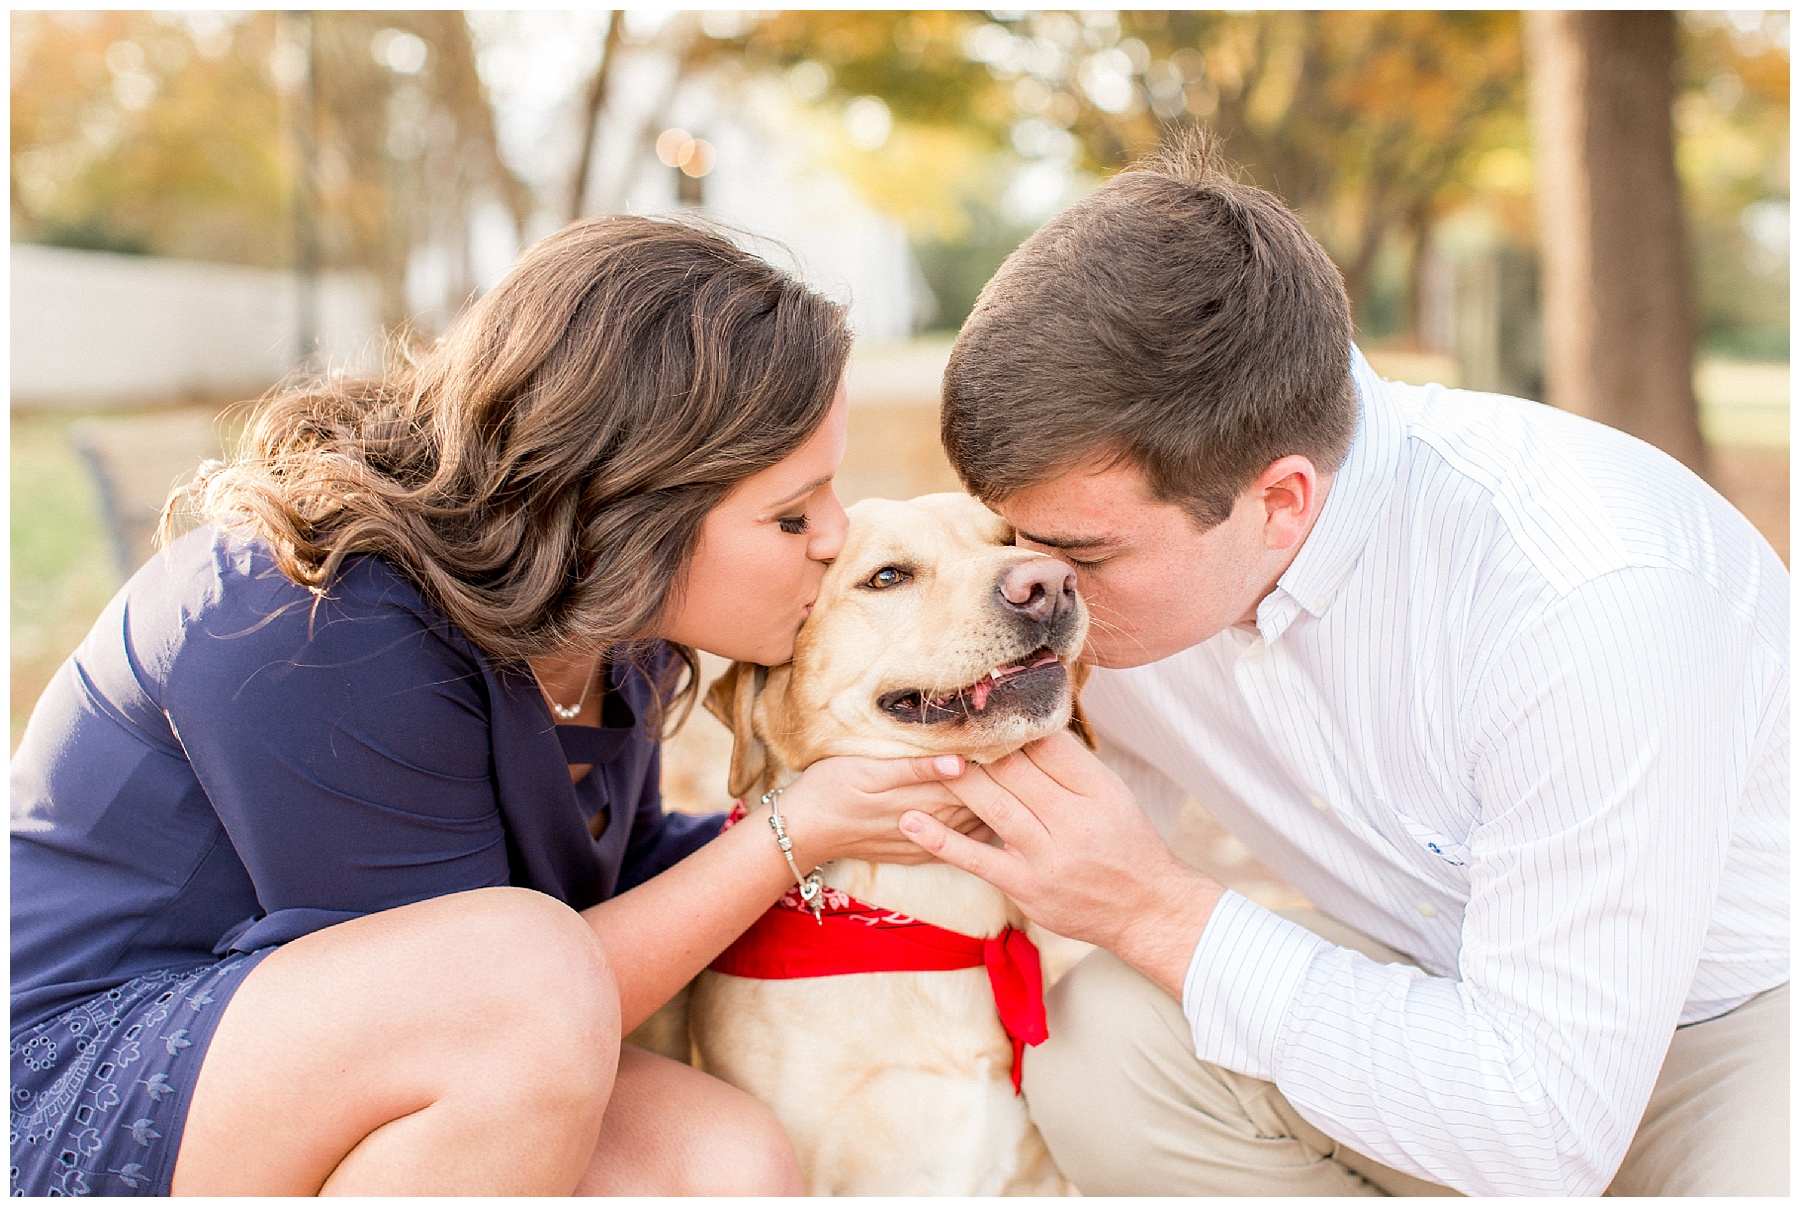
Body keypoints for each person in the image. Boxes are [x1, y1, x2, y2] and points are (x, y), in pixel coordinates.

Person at [10, 215, 980, 1196]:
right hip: (83, 1076)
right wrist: (791, 832)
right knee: (528, 976)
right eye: (792, 512)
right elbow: (493, 1008)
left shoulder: (615, 627)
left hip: (368, 1047)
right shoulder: (317, 614)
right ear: (629, 507)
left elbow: (626, 883)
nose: (836, 536)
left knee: (724, 1160)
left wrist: (875, 806)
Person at [901, 136, 1788, 1196]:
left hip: (1731, 1022)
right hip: (1425, 969)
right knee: (1107, 1055)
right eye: (1016, 537)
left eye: (1082, 557)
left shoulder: (1583, 594)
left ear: (1280, 502)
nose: (1041, 593)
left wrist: (1155, 909)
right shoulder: (1115, 571)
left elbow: (1546, 1127)